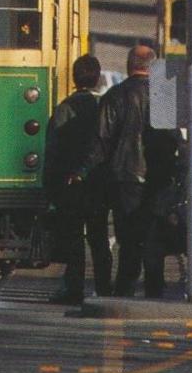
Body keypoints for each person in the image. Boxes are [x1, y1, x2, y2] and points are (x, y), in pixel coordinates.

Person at [75, 43, 177, 299]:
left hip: (124, 178)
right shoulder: (165, 99)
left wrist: (83, 170)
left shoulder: (115, 96)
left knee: (128, 239)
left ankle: (125, 289)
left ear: (129, 66)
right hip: (159, 177)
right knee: (154, 237)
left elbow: (101, 139)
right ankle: (155, 290)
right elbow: (175, 139)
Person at [45, 53, 112, 303]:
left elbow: (53, 152)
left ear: (74, 78)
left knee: (74, 239)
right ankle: (104, 287)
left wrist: (50, 189)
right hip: (98, 183)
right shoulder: (103, 106)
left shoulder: (64, 109)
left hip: (71, 184)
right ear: (97, 78)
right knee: (99, 238)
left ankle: (74, 288)